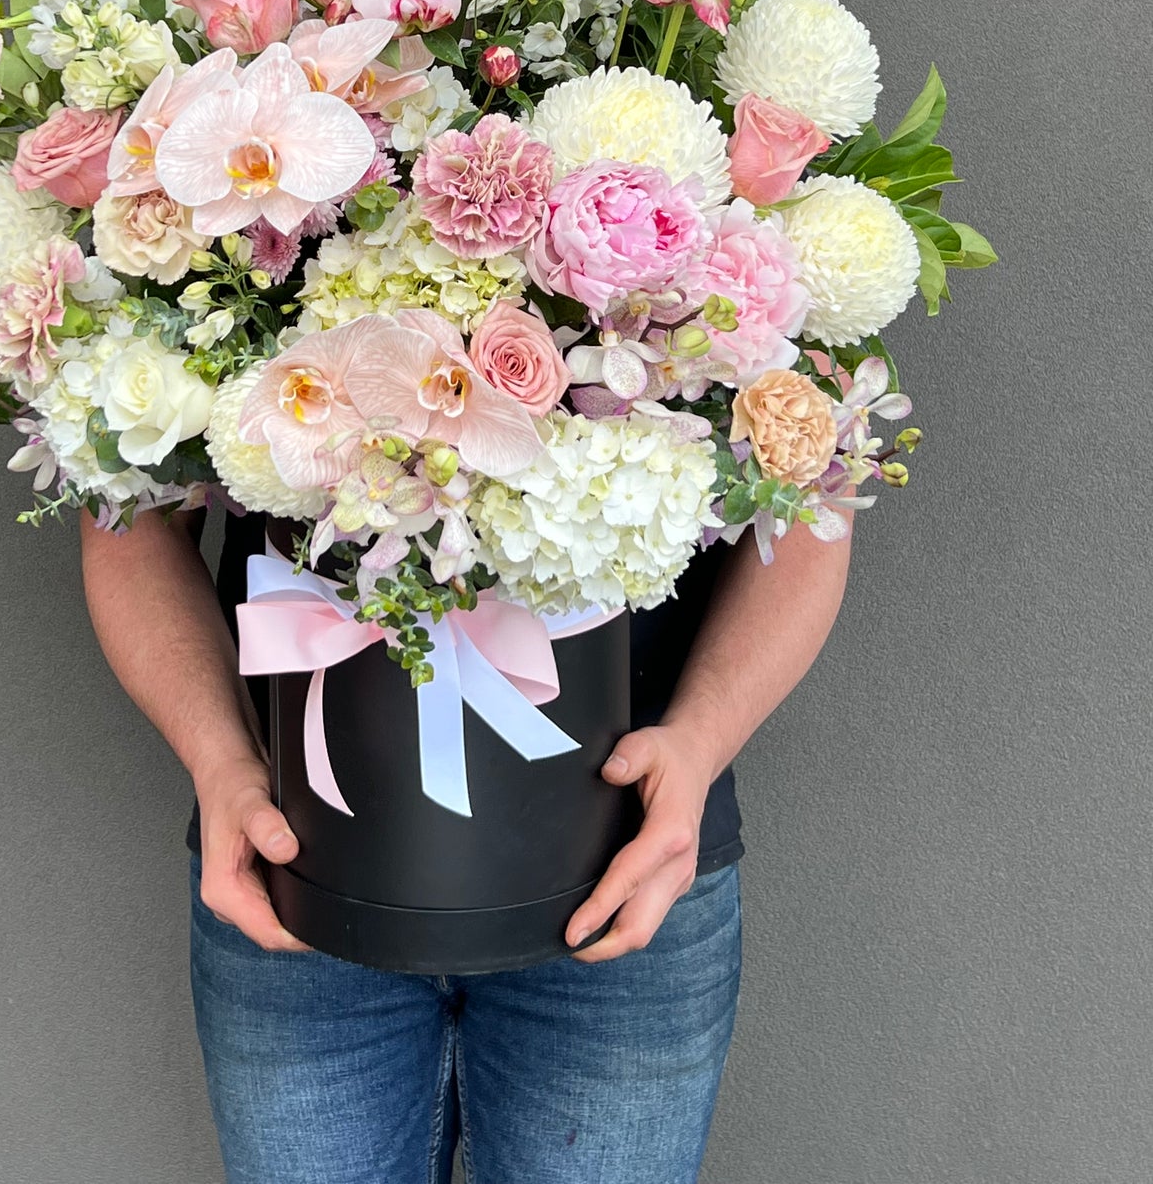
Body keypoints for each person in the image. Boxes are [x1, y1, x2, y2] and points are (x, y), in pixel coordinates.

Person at [81, 498, 850, 1184]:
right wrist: (218, 756)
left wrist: (701, 739)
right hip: (290, 883)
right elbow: (126, 516)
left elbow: (814, 496)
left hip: (630, 886)